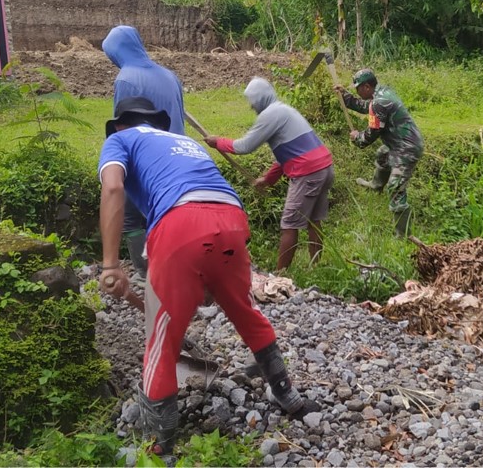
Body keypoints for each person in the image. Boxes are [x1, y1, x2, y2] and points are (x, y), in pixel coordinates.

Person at [97, 96, 309, 455]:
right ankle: (288, 395)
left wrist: (110, 264)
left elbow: (114, 188)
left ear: (121, 124)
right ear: (155, 123)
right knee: (246, 312)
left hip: (181, 225)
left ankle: (158, 449)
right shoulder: (182, 143)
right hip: (231, 220)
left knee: (160, 343)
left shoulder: (119, 139)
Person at [204, 77, 335, 270]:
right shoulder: (284, 110)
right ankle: (316, 267)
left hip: (308, 173)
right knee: (313, 222)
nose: (251, 106)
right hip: (324, 167)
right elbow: (289, 153)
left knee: (289, 225)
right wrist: (269, 178)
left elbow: (245, 146)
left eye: (252, 101)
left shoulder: (271, 115)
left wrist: (218, 142)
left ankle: (280, 274)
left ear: (259, 99)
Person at [102, 25, 185, 282]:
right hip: (177, 155)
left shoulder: (126, 78)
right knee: (162, 213)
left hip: (143, 158)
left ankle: (145, 272)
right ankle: (171, 266)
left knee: (130, 217)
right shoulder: (170, 76)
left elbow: (123, 126)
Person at [335, 68, 424, 237]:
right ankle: (375, 186)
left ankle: (402, 235)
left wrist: (357, 138)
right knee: (383, 155)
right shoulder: (383, 92)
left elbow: (372, 133)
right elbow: (367, 107)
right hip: (399, 142)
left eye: (358, 88)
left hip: (406, 148)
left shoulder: (379, 103)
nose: (356, 90)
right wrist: (346, 97)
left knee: (395, 187)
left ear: (367, 87)